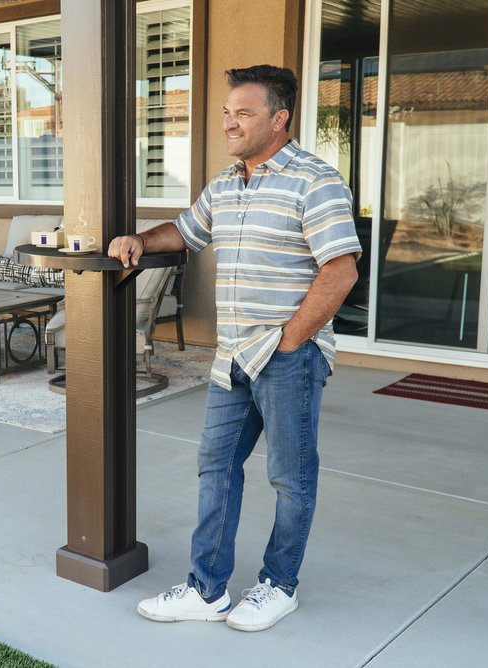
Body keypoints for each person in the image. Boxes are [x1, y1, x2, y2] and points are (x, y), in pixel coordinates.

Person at [109, 65, 361, 632]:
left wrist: (291, 341)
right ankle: (207, 589)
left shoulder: (315, 180)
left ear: (280, 119)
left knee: (290, 477)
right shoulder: (227, 183)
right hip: (231, 358)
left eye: (243, 112)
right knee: (215, 466)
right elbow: (186, 231)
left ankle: (279, 584)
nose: (229, 122)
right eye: (227, 112)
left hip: (286, 357)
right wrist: (140, 240)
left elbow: (340, 272)